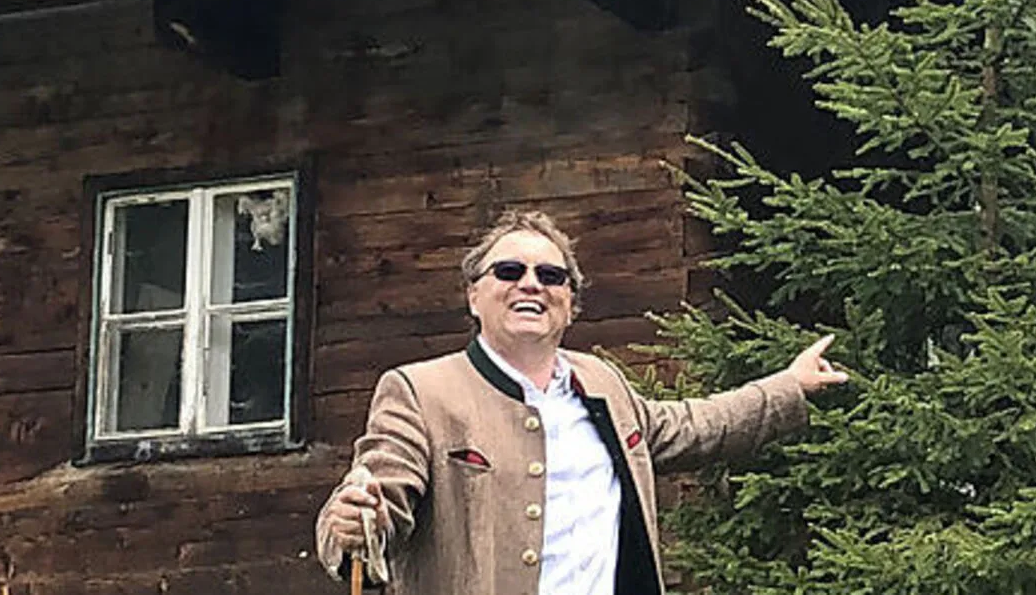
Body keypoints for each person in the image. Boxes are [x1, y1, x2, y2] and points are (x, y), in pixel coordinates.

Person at [315, 210, 849, 594]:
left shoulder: (602, 383)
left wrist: (790, 385)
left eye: (551, 276)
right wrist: (352, 522)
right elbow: (374, 499)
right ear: (474, 295)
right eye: (509, 271)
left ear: (570, 304)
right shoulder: (421, 392)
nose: (531, 284)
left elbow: (695, 425)